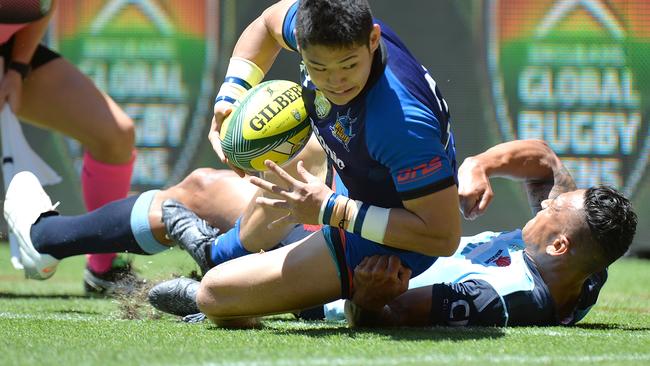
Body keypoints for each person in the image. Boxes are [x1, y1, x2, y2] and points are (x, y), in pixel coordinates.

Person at [186, 0, 461, 327]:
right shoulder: (318, 25)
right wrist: (230, 95)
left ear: (373, 40)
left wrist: (334, 211)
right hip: (359, 175)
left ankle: (328, 296)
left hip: (392, 237)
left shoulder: (401, 124)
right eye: (318, 67)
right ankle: (220, 254)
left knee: (214, 295)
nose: (335, 82)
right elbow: (265, 24)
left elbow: (443, 236)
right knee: (288, 152)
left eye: (348, 65)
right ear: (300, 45)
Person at [339, 139, 638, 327]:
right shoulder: (587, 268)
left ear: (558, 246)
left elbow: (392, 314)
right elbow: (546, 162)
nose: (545, 201)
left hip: (336, 279)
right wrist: (479, 165)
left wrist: (366, 294)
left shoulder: (499, 296)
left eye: (553, 208)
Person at [0, 0, 136, 294]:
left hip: (9, 54)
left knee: (115, 135)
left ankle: (103, 270)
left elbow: (42, 6)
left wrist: (17, 68)